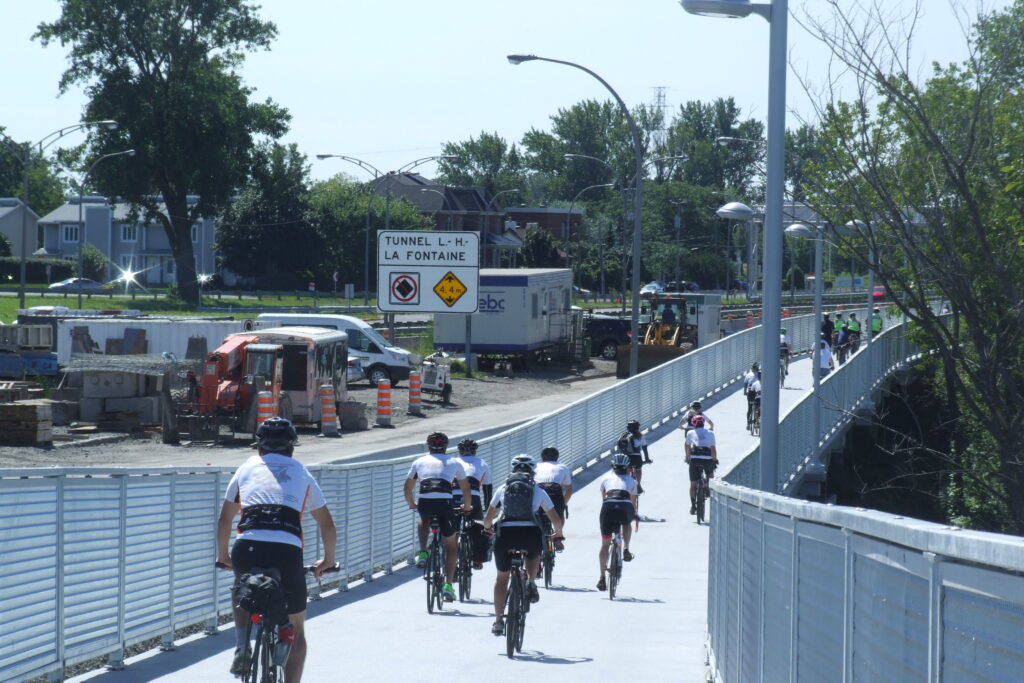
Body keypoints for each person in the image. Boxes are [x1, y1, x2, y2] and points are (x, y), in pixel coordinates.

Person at [216, 417, 337, 682]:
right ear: (292, 448)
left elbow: (225, 519)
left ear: (258, 448)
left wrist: (223, 556)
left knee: (241, 587)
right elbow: (327, 525)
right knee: (298, 632)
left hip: (247, 546)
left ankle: (241, 645)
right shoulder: (302, 472)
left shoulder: (246, 468)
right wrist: (328, 560)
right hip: (286, 551)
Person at [483, 455, 564, 636]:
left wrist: (488, 529)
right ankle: (530, 581)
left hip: (506, 534)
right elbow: (555, 519)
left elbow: (488, 517)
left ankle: (497, 621)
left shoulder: (503, 489)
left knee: (501, 579)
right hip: (530, 533)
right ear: (532, 471)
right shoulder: (538, 490)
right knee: (533, 555)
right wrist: (558, 534)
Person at [404, 432, 472, 603]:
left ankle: (423, 552)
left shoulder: (419, 461)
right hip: (445, 504)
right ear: (446, 447)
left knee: (424, 520)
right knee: (451, 547)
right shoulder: (454, 462)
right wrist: (468, 506)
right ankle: (448, 586)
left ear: (428, 447)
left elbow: (407, 487)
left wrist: (412, 503)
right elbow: (466, 489)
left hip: (425, 502)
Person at [596, 453, 638, 591]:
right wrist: (635, 515)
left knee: (605, 545)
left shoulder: (605, 478)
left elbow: (603, 498)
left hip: (608, 508)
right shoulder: (632, 481)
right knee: (627, 523)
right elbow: (633, 502)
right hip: (625, 506)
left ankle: (602, 578)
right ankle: (626, 548)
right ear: (627, 468)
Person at [452, 438, 492, 570]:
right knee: (480, 527)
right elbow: (487, 489)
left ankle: (451, 558)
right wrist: (487, 509)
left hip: (454, 496)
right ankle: (477, 559)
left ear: (459, 452)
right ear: (475, 452)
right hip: (473, 497)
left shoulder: (453, 462)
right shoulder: (482, 463)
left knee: (453, 529)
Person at [534, 446, 572, 550]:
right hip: (554, 492)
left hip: (539, 491)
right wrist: (562, 505)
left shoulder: (536, 466)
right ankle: (558, 538)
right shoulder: (563, 467)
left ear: (542, 458)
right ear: (557, 458)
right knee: (559, 516)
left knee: (535, 515)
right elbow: (568, 490)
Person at [684, 415, 718, 515]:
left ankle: (693, 505)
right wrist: (715, 459)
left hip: (694, 459)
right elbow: (713, 448)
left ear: (694, 424)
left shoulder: (690, 432)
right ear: (703, 423)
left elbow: (687, 446)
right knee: (710, 474)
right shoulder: (711, 433)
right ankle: (707, 486)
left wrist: (687, 457)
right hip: (707, 458)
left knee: (693, 484)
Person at [616, 419, 651, 491]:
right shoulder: (640, 436)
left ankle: (627, 484)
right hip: (636, 458)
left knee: (627, 470)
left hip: (626, 458)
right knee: (638, 470)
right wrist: (647, 459)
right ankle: (638, 484)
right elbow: (645, 448)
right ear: (637, 427)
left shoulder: (624, 436)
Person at [742, 363, 760, 428]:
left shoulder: (748, 375)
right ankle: (757, 421)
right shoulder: (760, 374)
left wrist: (744, 392)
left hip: (750, 393)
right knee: (758, 407)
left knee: (750, 408)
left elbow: (745, 384)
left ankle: (748, 424)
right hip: (757, 393)